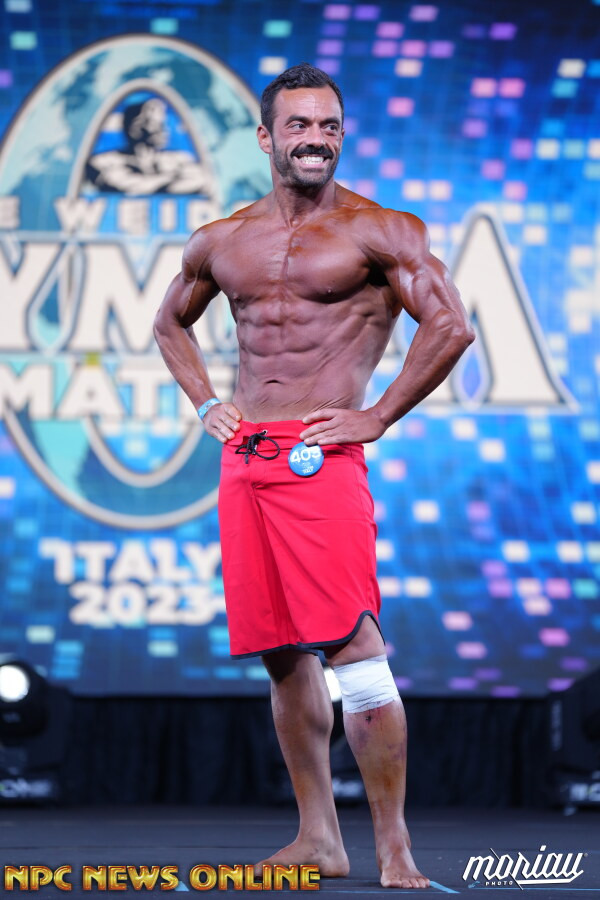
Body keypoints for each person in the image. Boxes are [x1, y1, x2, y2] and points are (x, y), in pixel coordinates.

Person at [154, 63, 475, 890]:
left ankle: (395, 849)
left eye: (329, 126)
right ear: (267, 137)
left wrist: (379, 414)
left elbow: (450, 325)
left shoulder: (379, 231)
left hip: (320, 455)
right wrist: (205, 402)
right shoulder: (223, 239)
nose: (316, 140)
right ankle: (318, 838)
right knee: (280, 653)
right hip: (246, 459)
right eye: (300, 125)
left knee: (354, 648)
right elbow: (169, 323)